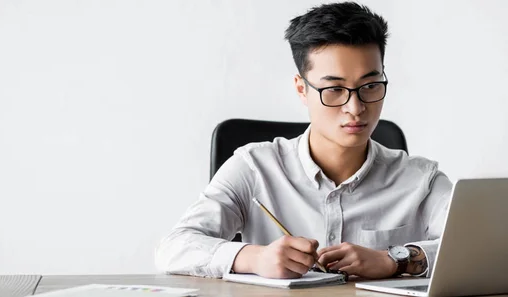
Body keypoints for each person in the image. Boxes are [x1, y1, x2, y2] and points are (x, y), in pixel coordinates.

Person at [155, 1, 452, 280]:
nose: (355, 107)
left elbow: (491, 249)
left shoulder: (421, 180)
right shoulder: (254, 167)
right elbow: (173, 248)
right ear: (301, 89)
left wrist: (396, 259)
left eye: (370, 86)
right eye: (334, 89)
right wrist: (254, 258)